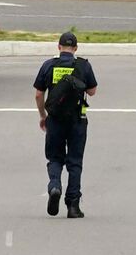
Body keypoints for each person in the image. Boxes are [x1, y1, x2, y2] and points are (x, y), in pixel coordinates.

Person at [34, 31, 98, 220]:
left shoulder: (49, 65)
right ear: (76, 49)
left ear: (59, 47)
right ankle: (73, 206)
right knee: (75, 162)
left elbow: (38, 94)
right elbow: (92, 91)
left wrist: (43, 115)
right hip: (78, 121)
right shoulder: (83, 65)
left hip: (55, 120)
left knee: (54, 158)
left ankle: (54, 186)